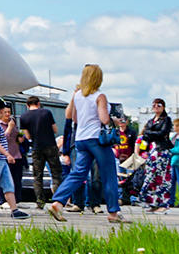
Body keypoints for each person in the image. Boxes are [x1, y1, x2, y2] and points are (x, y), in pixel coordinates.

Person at [48, 64, 123, 223]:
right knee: (109, 175)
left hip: (81, 139)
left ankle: (58, 202)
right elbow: (104, 119)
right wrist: (114, 120)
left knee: (78, 173)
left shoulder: (78, 95)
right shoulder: (99, 96)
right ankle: (113, 213)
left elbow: (73, 118)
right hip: (97, 139)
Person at [17, 96, 60, 209]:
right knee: (56, 174)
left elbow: (28, 136)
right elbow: (55, 130)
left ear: (27, 105)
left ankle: (40, 202)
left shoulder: (24, 117)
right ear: (39, 103)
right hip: (51, 146)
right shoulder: (46, 112)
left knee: (37, 176)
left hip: (36, 147)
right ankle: (58, 200)